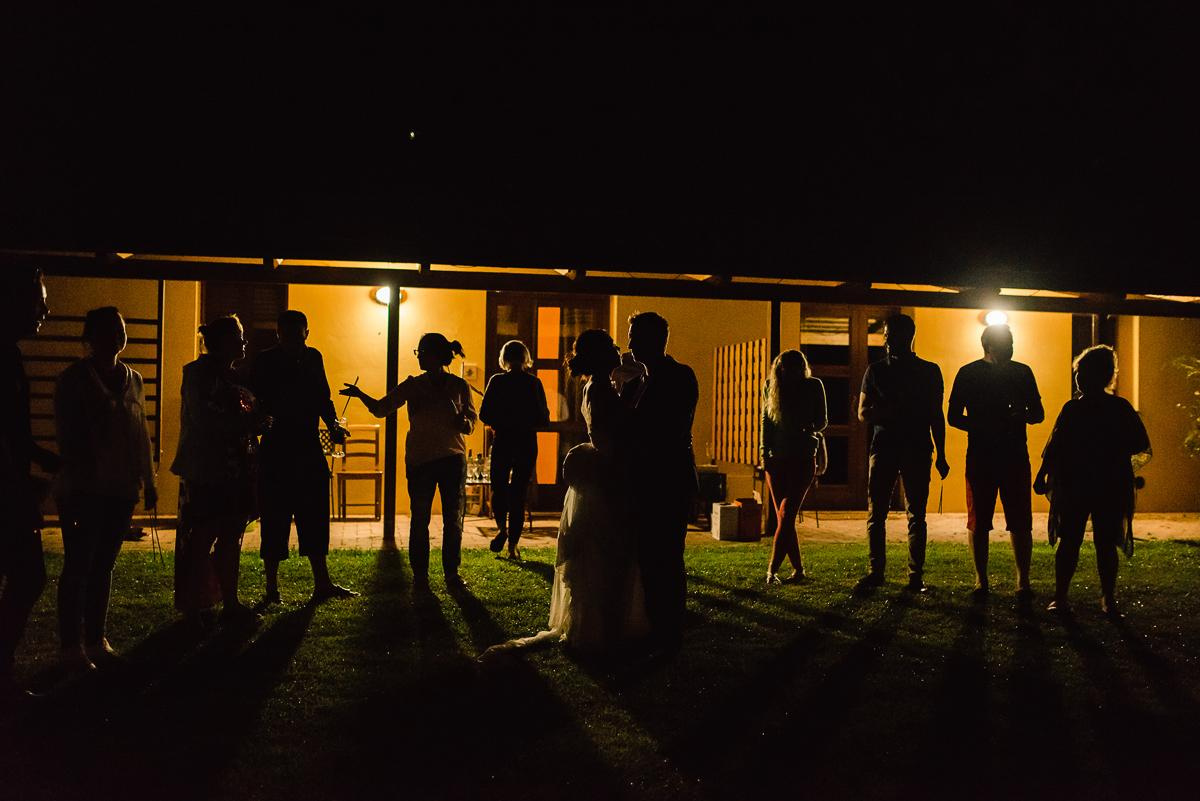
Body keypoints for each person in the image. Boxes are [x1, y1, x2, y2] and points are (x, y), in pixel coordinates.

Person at [481, 330, 647, 657]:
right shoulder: (598, 388)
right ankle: (602, 625)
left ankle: (506, 532)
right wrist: (631, 396)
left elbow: (491, 415)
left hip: (566, 460)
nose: (619, 350)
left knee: (507, 492)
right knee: (606, 547)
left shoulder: (594, 386)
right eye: (613, 348)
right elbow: (610, 428)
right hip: (605, 472)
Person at [54, 307, 157, 671]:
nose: (116, 336)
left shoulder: (135, 379)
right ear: (90, 336)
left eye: (121, 329)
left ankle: (96, 639)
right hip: (84, 488)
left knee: (104, 565)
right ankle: (70, 645)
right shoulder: (74, 380)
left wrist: (149, 480)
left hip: (121, 488)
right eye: (108, 330)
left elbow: (140, 433)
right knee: (78, 564)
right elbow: (67, 435)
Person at [340, 333, 476, 591]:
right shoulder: (413, 385)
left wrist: (465, 423)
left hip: (451, 459)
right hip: (421, 461)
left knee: (453, 519)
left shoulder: (459, 386)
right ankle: (421, 577)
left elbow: (471, 420)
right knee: (420, 519)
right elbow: (382, 408)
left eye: (422, 351)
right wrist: (359, 395)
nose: (419, 356)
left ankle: (451, 575)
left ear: (437, 355)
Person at [249, 310, 357, 605]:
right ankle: (272, 588)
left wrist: (333, 424)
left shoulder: (314, 357)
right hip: (277, 447)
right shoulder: (265, 360)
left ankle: (322, 582)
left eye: (299, 334)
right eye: (289, 335)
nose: (295, 340)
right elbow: (253, 400)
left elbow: (323, 397)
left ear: (307, 333)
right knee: (274, 518)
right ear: (278, 334)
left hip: (308, 445)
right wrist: (258, 422)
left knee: (315, 515)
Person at [1035, 346, 1150, 616]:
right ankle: (1098, 599)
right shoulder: (1107, 408)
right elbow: (1056, 444)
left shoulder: (1090, 409)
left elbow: (1056, 445)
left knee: (1085, 541)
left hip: (1088, 482)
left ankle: (1079, 597)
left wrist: (1044, 473)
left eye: (1081, 372)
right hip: (1097, 482)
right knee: (1088, 541)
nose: (1077, 378)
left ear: (1099, 375)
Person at [171, 315, 262, 627]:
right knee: (201, 536)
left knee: (231, 535)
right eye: (239, 336)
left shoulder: (236, 376)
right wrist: (247, 423)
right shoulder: (197, 374)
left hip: (234, 467)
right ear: (223, 341)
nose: (244, 341)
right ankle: (194, 606)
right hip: (206, 469)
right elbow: (204, 419)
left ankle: (230, 601)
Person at [948, 323, 1044, 603]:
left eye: (1012, 343)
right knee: (979, 519)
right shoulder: (969, 373)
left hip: (1012, 454)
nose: (1011, 348)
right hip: (984, 454)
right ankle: (982, 579)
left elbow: (1038, 413)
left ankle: (1022, 581)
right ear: (989, 345)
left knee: (1020, 520)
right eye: (1007, 343)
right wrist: (982, 425)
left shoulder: (1022, 372)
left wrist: (1021, 415)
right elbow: (953, 416)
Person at [856, 314, 950, 594]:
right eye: (885, 334)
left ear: (908, 336)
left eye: (890, 334)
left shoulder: (929, 371)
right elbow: (862, 413)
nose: (885, 339)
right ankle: (877, 571)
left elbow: (937, 415)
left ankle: (914, 575)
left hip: (915, 448)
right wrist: (896, 411)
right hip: (886, 447)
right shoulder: (875, 371)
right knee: (878, 513)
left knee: (916, 514)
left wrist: (942, 454)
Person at [622, 311, 698, 649]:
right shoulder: (638, 380)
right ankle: (657, 624)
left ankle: (669, 626)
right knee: (649, 555)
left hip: (668, 478)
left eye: (635, 336)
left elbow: (667, 430)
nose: (629, 343)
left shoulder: (680, 376)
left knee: (667, 554)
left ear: (655, 339)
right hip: (645, 479)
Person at [1, 265, 56, 708]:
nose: (45, 310)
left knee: (26, 575)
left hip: (12, 485)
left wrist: (43, 460)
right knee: (27, 574)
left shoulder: (12, 356)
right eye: (38, 300)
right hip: (6, 491)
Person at [760, 350, 827, 585]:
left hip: (802, 456)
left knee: (787, 514)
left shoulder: (814, 386)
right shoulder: (771, 386)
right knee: (783, 519)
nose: (791, 373)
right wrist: (763, 453)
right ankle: (798, 570)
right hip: (775, 459)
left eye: (796, 368)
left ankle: (771, 571)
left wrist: (804, 425)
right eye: (786, 369)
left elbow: (822, 420)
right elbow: (765, 423)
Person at [479, 339, 549, 559]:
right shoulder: (533, 383)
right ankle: (513, 546)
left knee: (499, 488)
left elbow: (484, 414)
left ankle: (502, 529)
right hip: (526, 442)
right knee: (518, 493)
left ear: (505, 358)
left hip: (503, 441)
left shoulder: (497, 381)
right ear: (525, 358)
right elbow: (543, 418)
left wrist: (500, 420)